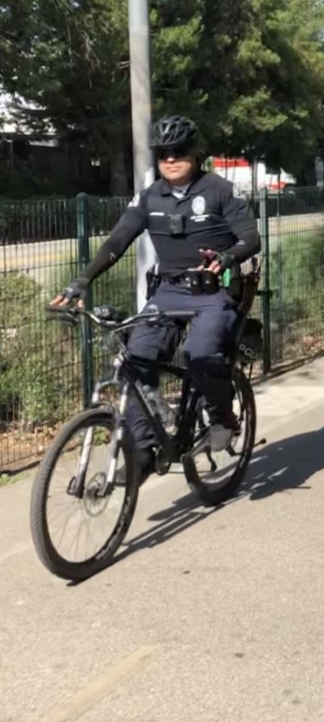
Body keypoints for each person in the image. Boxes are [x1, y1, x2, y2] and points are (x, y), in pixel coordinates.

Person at [50, 115, 261, 481]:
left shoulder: (220, 190)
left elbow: (250, 239)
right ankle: (146, 450)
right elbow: (117, 241)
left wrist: (228, 257)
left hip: (214, 292)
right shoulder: (150, 197)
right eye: (163, 153)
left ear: (196, 154)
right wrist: (81, 282)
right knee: (136, 360)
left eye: (179, 151)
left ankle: (222, 414)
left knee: (200, 352)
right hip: (167, 292)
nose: (170, 159)